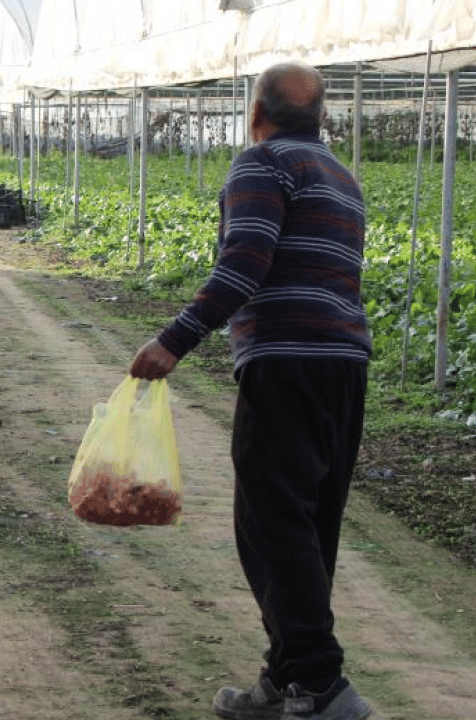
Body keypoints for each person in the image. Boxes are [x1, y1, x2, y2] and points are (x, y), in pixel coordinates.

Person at [129, 61, 373, 720]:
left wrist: (174, 339)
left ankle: (321, 684)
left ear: (255, 113)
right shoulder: (344, 178)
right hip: (343, 365)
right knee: (307, 525)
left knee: (268, 526)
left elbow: (245, 262)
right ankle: (285, 681)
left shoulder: (262, 165)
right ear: (321, 118)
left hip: (286, 363)